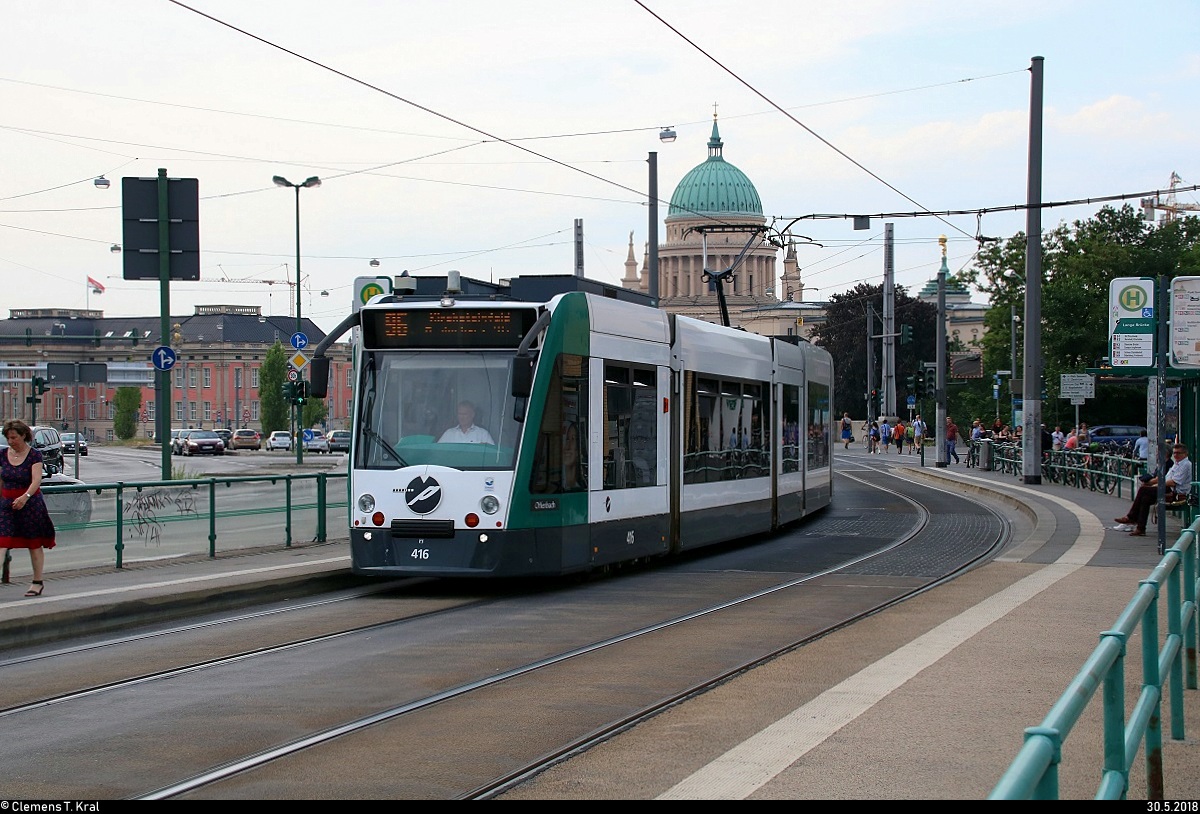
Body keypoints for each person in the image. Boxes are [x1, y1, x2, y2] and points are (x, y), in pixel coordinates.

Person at [0, 419, 56, 597]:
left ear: (24, 435)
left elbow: (36, 479)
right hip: (7, 504)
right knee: (1, 542)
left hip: (29, 503)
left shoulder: (34, 455)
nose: (10, 441)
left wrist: (25, 497)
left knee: (33, 543)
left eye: (14, 437)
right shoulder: (2, 455)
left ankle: (37, 582)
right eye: (8, 438)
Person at [1116, 443, 1193, 537]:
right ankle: (1140, 528)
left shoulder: (1185, 464)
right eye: (1175, 453)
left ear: (1185, 454)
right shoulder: (1177, 464)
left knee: (1143, 490)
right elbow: (1166, 478)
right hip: (1169, 489)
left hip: (1176, 493)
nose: (1176, 455)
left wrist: (1157, 485)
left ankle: (1131, 517)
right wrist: (1156, 485)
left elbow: (1173, 482)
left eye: (1178, 453)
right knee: (1145, 499)